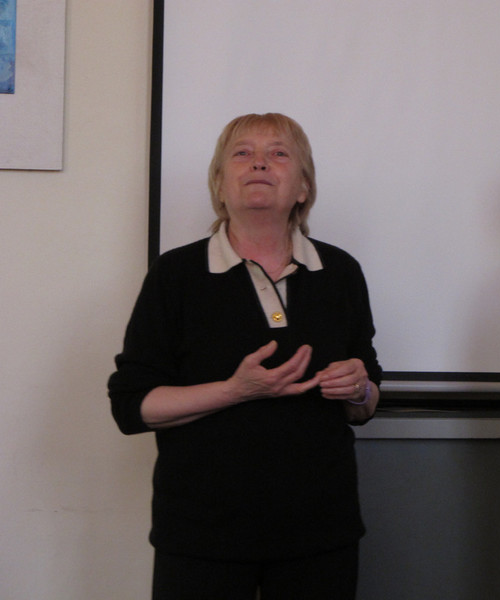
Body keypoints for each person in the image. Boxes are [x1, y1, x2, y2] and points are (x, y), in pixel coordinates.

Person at [108, 113, 381, 600]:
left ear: (303, 187)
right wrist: (236, 391)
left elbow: (364, 406)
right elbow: (132, 407)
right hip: (200, 536)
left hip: (321, 532)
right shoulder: (176, 274)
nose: (259, 163)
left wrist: (358, 388)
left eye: (278, 153)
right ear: (220, 184)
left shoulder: (340, 271)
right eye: (242, 153)